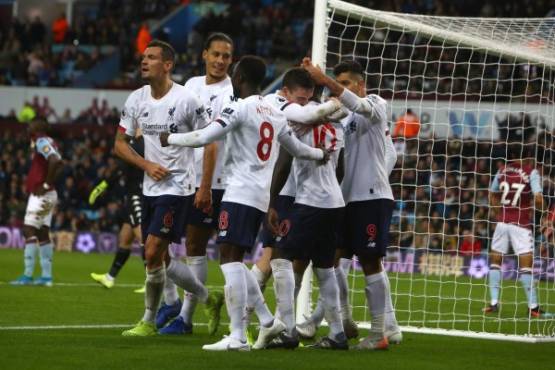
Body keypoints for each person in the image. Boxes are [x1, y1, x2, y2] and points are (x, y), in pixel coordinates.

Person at [161, 55, 330, 351]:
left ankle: (237, 335)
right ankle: (267, 321)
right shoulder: (275, 112)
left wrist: (170, 138)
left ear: (239, 78)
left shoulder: (238, 108)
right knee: (236, 261)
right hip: (261, 198)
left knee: (229, 260)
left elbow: (204, 136)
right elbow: (298, 149)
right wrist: (320, 155)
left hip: (239, 193)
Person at [115, 39, 223, 337]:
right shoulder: (136, 99)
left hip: (178, 187)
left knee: (151, 252)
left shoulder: (186, 100)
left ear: (167, 65)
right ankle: (208, 298)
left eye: (151, 57)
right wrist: (146, 165)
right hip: (150, 185)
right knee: (158, 257)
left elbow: (211, 141)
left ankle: (149, 320)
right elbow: (119, 144)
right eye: (143, 57)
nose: (144, 61)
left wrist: (204, 187)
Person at [302, 58, 401, 350]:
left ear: (360, 84)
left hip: (371, 197)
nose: (340, 90)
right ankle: (340, 325)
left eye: (346, 84)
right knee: (330, 261)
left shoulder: (375, 104)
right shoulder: (341, 115)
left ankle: (379, 333)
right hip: (344, 201)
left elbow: (359, 106)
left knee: (371, 262)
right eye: (339, 83)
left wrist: (324, 79)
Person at [158, 32, 233, 335]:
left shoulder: (229, 93)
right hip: (186, 178)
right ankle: (178, 307)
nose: (219, 60)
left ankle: (186, 317)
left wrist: (205, 186)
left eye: (226, 56)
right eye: (215, 54)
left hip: (216, 180)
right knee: (185, 245)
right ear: (204, 55)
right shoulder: (190, 85)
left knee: (201, 247)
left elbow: (210, 141)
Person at [265, 93, 348, 349]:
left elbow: (284, 163)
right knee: (324, 267)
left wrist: (271, 201)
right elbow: (341, 168)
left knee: (280, 257)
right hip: (334, 201)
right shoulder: (337, 125)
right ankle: (337, 334)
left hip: (310, 201)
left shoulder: (297, 123)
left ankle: (287, 331)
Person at [252, 68, 342, 296]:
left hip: (304, 196)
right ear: (286, 92)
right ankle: (247, 318)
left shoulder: (312, 113)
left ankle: (283, 321)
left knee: (298, 260)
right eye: (299, 99)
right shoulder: (276, 103)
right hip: (283, 191)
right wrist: (335, 103)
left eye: (306, 99)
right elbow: (284, 161)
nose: (302, 104)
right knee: (272, 256)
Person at [485, 142, 544, 317]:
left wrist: (499, 212)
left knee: (495, 261)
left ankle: (494, 303)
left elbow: (491, 194)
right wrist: (544, 211)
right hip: (521, 224)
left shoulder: (501, 171)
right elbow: (538, 198)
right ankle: (533, 307)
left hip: (502, 223)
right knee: (526, 266)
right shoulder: (530, 172)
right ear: (525, 155)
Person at [89, 132, 146, 293]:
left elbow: (121, 168)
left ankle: (153, 280)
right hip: (133, 195)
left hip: (137, 196)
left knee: (144, 238)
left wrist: (103, 185)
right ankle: (110, 277)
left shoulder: (140, 145)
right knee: (125, 239)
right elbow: (122, 169)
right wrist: (104, 185)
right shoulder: (138, 144)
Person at [10, 119, 63, 286]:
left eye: (32, 124)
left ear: (40, 127)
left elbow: (55, 161)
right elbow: (58, 162)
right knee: (42, 233)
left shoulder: (42, 141)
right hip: (48, 193)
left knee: (28, 230)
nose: (29, 126)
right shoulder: (47, 142)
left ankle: (27, 275)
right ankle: (46, 277)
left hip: (42, 193)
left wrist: (46, 184)